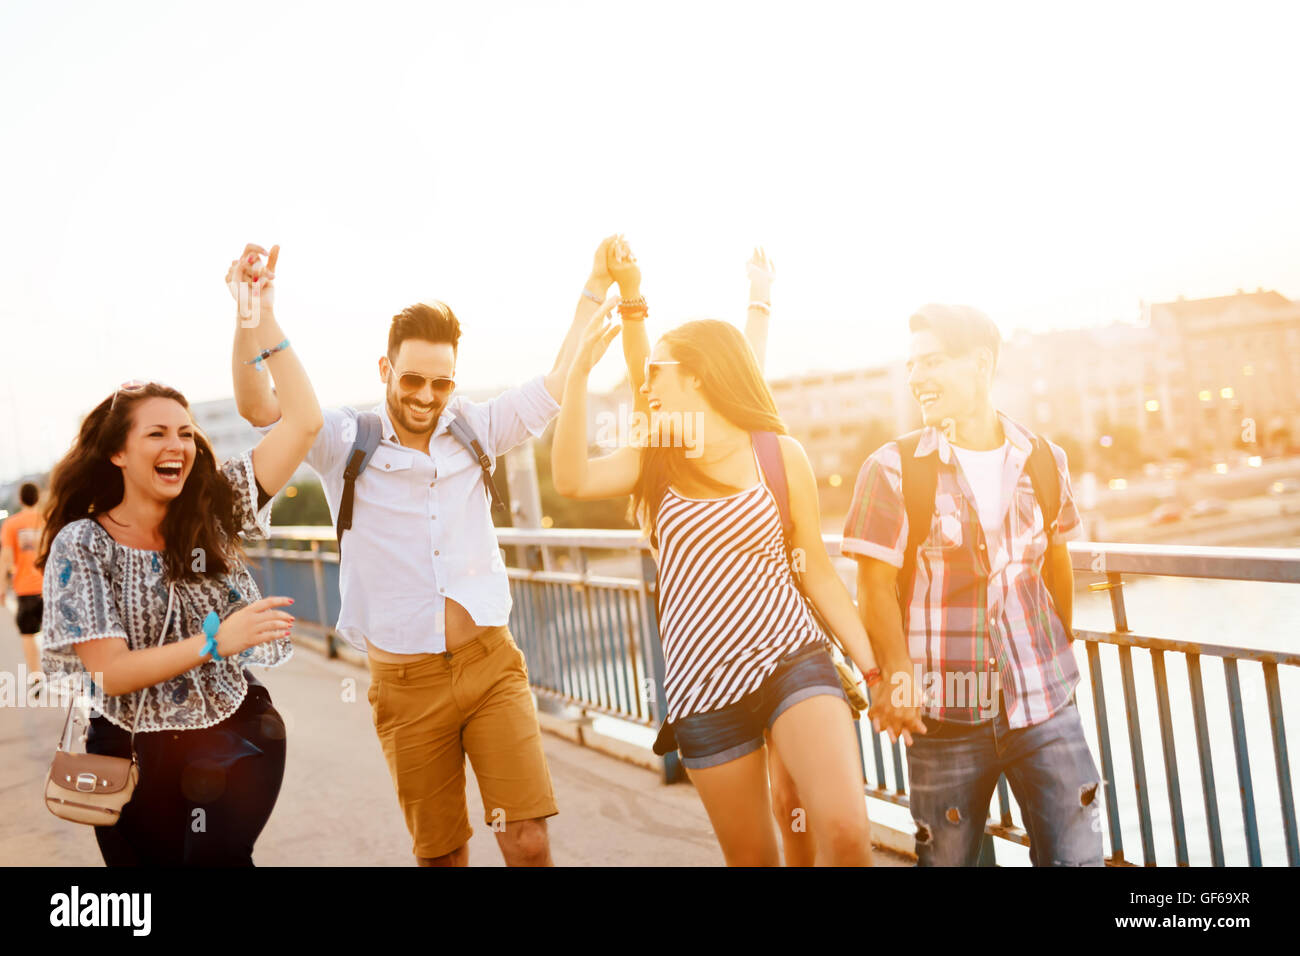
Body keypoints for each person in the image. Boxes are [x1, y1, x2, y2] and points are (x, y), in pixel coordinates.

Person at [233, 239, 613, 867]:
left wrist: (594, 286)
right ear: (384, 370)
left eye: (441, 382)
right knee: (442, 856)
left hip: (489, 665)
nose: (426, 396)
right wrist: (253, 315)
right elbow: (255, 407)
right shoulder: (341, 440)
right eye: (411, 378)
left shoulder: (476, 428)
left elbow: (555, 385)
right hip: (405, 685)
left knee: (527, 841)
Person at [553, 253, 880, 866]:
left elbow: (815, 566)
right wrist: (582, 369)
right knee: (758, 856)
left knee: (842, 831)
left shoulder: (776, 453)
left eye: (658, 373)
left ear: (698, 376)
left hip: (791, 658)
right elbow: (570, 478)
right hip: (704, 687)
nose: (642, 383)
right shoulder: (653, 455)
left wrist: (878, 671)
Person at [36, 243, 321, 866]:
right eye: (158, 433)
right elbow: (109, 671)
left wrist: (259, 317)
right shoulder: (82, 545)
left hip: (231, 732)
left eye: (187, 433)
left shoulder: (214, 508)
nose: (179, 445)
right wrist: (217, 640)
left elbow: (302, 421)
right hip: (125, 748)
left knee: (214, 861)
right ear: (116, 453)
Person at [842, 303, 1104, 866]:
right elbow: (873, 587)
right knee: (949, 860)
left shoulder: (1044, 459)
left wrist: (1057, 649)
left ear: (980, 364)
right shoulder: (891, 468)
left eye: (932, 362)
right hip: (944, 717)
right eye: (912, 365)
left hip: (1045, 705)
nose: (916, 378)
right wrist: (897, 675)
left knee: (1077, 858)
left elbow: (1056, 565)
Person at [1, 482, 47, 696]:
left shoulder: (11, 524)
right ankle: (68, 676)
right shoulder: (46, 519)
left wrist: (2, 586)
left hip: (25, 588)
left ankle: (36, 677)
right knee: (57, 634)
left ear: (20, 500)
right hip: (49, 586)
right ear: (37, 498)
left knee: (28, 635)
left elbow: (7, 557)